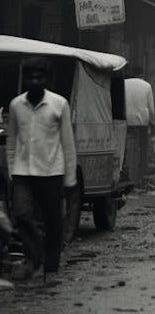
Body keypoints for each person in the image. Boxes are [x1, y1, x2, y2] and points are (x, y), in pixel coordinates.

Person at [6, 57, 77, 283]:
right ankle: (36, 256)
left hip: (51, 172)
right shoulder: (16, 105)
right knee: (21, 215)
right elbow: (11, 141)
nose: (35, 81)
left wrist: (70, 179)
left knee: (53, 222)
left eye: (40, 77)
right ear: (25, 79)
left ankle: (51, 269)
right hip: (22, 172)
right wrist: (11, 172)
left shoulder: (59, 104)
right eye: (31, 77)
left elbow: (68, 143)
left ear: (47, 79)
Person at [124, 66, 155, 185]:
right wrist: (153, 124)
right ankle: (139, 177)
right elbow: (151, 108)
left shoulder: (124, 84)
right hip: (142, 123)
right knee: (141, 150)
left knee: (128, 149)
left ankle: (129, 176)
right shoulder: (146, 86)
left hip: (127, 121)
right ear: (142, 75)